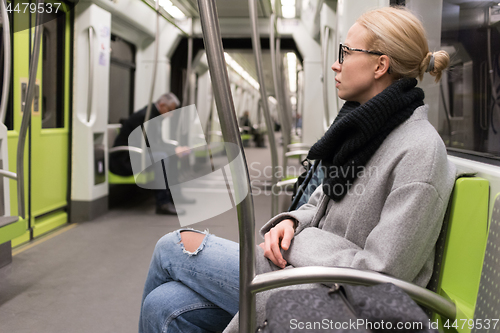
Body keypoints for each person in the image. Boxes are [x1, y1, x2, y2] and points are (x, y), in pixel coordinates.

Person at [138, 7, 456, 333]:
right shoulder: (366, 130)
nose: (336, 63)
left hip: (342, 299)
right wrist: (294, 220)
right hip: (313, 274)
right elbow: (322, 199)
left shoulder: (419, 153)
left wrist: (300, 245)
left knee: (172, 246)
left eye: (345, 53)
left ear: (380, 65)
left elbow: (382, 275)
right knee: (164, 306)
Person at [109, 92, 195, 216]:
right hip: (126, 158)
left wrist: (176, 149)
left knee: (171, 154)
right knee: (161, 157)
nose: (171, 114)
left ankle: (175, 195)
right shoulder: (145, 117)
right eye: (170, 110)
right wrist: (172, 151)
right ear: (161, 105)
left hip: (138, 154)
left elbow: (155, 143)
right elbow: (149, 146)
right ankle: (162, 203)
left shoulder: (154, 117)